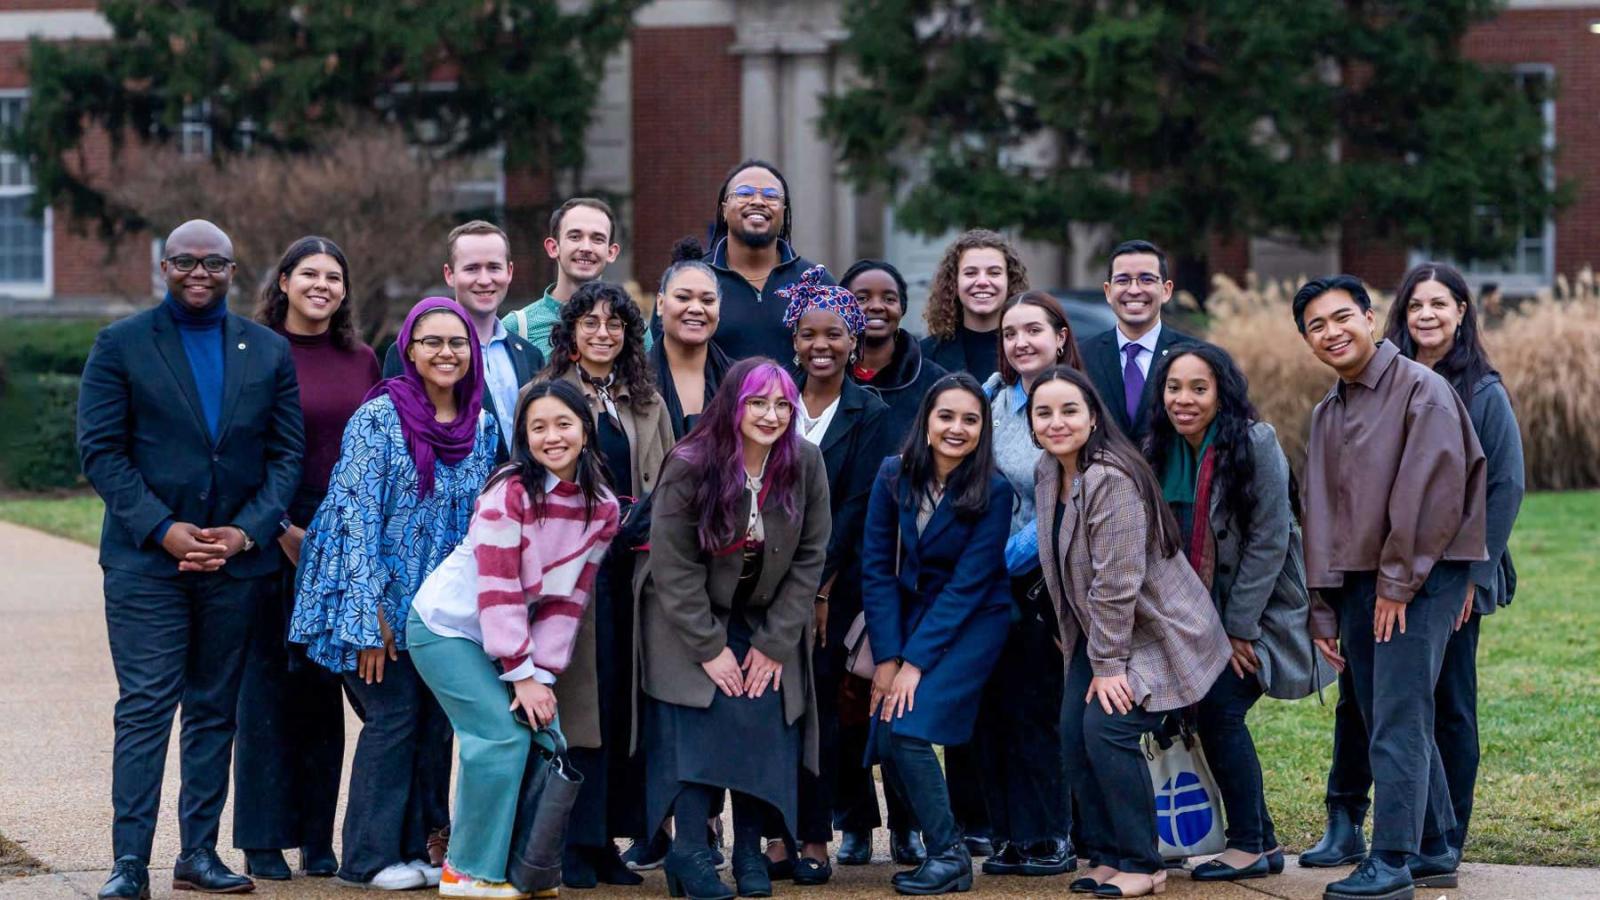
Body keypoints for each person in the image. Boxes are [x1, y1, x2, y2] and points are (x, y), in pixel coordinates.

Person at [78, 219, 304, 899]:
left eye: (213, 262)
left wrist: (244, 534)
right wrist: (163, 529)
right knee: (146, 707)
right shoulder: (120, 344)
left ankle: (197, 855)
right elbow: (101, 452)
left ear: (234, 270)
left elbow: (285, 455)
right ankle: (129, 864)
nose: (199, 272)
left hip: (234, 566)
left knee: (213, 711)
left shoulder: (266, 351)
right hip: (147, 566)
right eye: (185, 261)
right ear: (164, 267)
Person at [1303, 264, 1524, 870]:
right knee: (1376, 702)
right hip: (1369, 577)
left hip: (1443, 574)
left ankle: (1429, 844)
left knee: (1433, 707)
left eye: (1439, 304)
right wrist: (1325, 601)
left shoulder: (1467, 392)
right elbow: (1331, 503)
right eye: (1416, 304)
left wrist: (1465, 582)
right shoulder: (1341, 401)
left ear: (1461, 311)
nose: (1426, 315)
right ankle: (1403, 833)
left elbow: (1496, 489)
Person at [291, 297, 500, 890]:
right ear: (408, 349)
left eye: (457, 343)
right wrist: (370, 618)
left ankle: (424, 847)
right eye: (431, 342)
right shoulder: (380, 417)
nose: (445, 353)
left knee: (438, 720)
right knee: (394, 715)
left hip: (436, 609)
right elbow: (355, 518)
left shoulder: (481, 426)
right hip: (366, 595)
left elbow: (474, 526)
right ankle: (367, 858)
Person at [410, 379, 621, 899]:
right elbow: (499, 590)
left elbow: (567, 601)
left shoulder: (603, 507)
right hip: (446, 628)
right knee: (499, 736)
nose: (553, 436)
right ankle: (466, 870)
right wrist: (522, 676)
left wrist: (543, 676)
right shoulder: (508, 492)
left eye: (563, 424)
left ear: (585, 430)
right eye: (538, 427)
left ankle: (525, 869)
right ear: (523, 437)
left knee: (546, 740)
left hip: (508, 640)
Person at [1028, 365, 1231, 899]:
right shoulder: (1050, 472)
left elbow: (1117, 583)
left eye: (1069, 410)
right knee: (1074, 732)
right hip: (1101, 636)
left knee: (1108, 730)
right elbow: (1061, 568)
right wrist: (1079, 645)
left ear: (1093, 417)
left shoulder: (1109, 479)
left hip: (1159, 633)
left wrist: (1108, 665)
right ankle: (1106, 854)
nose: (1056, 422)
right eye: (1043, 412)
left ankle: (1145, 863)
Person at [636, 358, 830, 900]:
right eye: (758, 402)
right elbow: (673, 566)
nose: (771, 415)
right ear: (733, 404)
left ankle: (749, 847)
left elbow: (811, 558)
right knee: (704, 703)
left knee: (761, 701)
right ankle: (690, 850)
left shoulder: (806, 463)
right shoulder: (691, 462)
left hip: (763, 616)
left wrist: (771, 645)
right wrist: (708, 648)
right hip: (686, 615)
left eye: (782, 405)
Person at [1144, 344, 1333, 882]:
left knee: (1220, 711)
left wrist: (1236, 629)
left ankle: (1247, 844)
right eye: (1174, 387)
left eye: (1198, 388)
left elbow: (1271, 539)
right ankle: (1265, 845)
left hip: (1258, 613)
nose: (1184, 399)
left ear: (1221, 393)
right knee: (1207, 714)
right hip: (1192, 617)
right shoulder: (1158, 448)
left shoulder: (1255, 442)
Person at [234, 236, 381, 881]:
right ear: (284, 280)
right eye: (309, 274)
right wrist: (282, 527)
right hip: (270, 536)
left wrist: (340, 542)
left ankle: (319, 838)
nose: (322, 285)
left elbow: (378, 451)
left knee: (325, 697)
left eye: (334, 276)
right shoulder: (254, 353)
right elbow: (238, 453)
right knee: (266, 694)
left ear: (345, 289)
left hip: (342, 543)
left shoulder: (362, 359)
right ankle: (264, 839)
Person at [759, 266, 892, 883]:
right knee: (767, 716)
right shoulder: (770, 404)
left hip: (833, 594)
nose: (821, 345)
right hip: (761, 587)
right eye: (809, 334)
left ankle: (816, 837)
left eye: (834, 334)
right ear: (794, 340)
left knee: (818, 716)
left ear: (852, 339)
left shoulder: (870, 412)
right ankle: (774, 840)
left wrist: (818, 585)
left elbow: (861, 506)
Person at [858, 372, 1014, 896]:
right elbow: (876, 569)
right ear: (926, 421)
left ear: (982, 429)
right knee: (886, 727)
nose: (957, 428)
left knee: (907, 725)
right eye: (946, 416)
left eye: (971, 419)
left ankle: (948, 854)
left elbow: (968, 588)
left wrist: (913, 664)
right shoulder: (892, 475)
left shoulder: (993, 491)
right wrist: (887, 658)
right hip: (906, 615)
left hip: (973, 620)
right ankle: (928, 842)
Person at [541, 281, 674, 887]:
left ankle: (609, 843)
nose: (602, 332)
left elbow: (671, 481)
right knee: (578, 706)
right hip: (571, 574)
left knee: (623, 703)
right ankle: (573, 842)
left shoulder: (645, 401)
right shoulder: (544, 396)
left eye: (615, 323)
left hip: (635, 569)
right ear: (569, 332)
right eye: (589, 322)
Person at [972, 291, 1084, 879]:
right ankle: (1007, 835)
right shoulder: (991, 399)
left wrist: (1008, 557)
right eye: (1011, 333)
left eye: (1034, 330)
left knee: (1037, 711)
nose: (1020, 342)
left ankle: (1049, 834)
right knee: (992, 711)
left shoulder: (1070, 404)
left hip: (1044, 582)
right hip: (983, 583)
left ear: (1060, 336)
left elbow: (1068, 497)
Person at [385, 220, 547, 461]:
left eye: (494, 267)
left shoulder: (530, 355)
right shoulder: (411, 353)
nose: (484, 280)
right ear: (449, 275)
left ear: (509, 272)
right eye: (472, 268)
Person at [685, 159, 831, 362]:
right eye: (744, 193)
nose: (758, 201)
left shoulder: (816, 282)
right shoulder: (690, 280)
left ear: (783, 212)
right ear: (724, 209)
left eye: (771, 196)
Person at [1079, 240, 1203, 445]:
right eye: (1123, 280)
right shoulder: (1082, 357)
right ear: (1108, 291)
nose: (1134, 290)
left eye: (1146, 279)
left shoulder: (1195, 355)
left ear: (1166, 290)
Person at [504, 197, 639, 355]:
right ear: (553, 247)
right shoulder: (517, 327)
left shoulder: (633, 326)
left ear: (611, 252)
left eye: (597, 239)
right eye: (575, 237)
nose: (586, 248)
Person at [842, 258, 948, 446]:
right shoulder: (822, 377)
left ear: (902, 308)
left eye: (889, 299)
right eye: (862, 299)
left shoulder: (936, 383)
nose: (876, 306)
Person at [919, 230, 1030, 383]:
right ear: (954, 283)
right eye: (971, 273)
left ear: (1009, 281)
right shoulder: (924, 356)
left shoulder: (1031, 351)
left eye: (994, 273)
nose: (982, 282)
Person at [649, 238, 732, 440]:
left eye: (707, 300)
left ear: (718, 309)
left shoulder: (739, 382)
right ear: (660, 303)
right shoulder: (630, 378)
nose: (696, 308)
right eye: (683, 298)